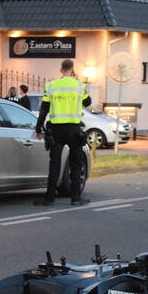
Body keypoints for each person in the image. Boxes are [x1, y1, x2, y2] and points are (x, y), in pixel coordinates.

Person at [34, 59, 91, 206]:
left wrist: (38, 127)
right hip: (74, 130)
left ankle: (49, 198)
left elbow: (44, 108)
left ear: (61, 70)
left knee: (54, 164)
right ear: (72, 70)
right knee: (75, 164)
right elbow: (88, 102)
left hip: (56, 130)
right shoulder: (79, 86)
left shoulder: (51, 86)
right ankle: (76, 198)